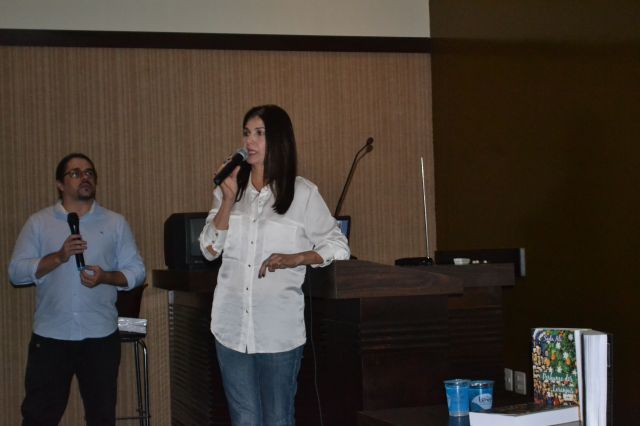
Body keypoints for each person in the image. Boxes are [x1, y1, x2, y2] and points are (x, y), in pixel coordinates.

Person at [199, 105, 350, 425]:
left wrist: (299, 257)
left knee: (278, 419)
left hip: (279, 331)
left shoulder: (303, 193)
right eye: (246, 133)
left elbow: (338, 246)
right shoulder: (228, 190)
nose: (249, 141)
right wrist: (227, 200)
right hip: (230, 327)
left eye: (259, 133)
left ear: (279, 140)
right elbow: (209, 250)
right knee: (244, 420)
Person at [9, 153, 146, 426]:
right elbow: (16, 272)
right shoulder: (39, 223)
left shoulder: (115, 222)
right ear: (60, 184)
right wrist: (58, 257)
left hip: (100, 336)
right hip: (51, 336)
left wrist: (105, 277)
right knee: (38, 417)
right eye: (75, 173)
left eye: (89, 173)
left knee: (101, 417)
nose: (85, 177)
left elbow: (137, 271)